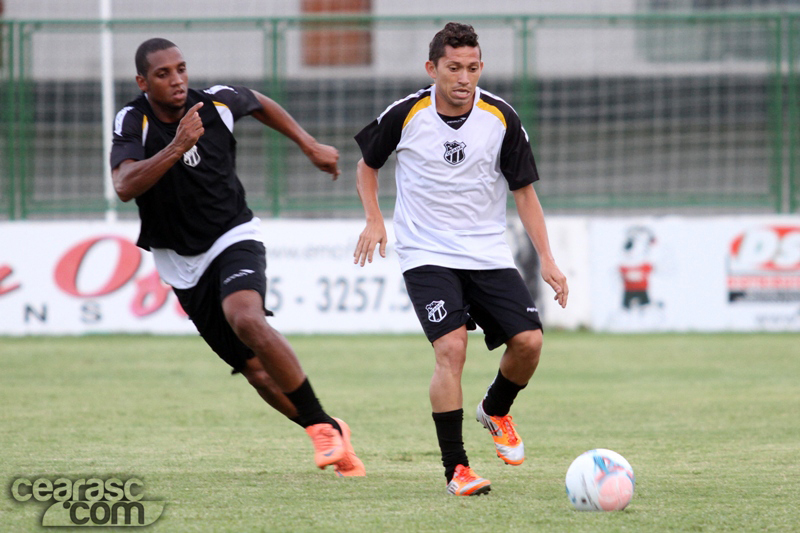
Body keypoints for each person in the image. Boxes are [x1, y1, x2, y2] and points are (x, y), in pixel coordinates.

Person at [110, 38, 364, 477]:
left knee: (246, 318)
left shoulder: (216, 103)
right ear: (142, 81)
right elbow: (124, 184)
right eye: (163, 74)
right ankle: (328, 427)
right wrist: (175, 147)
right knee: (257, 374)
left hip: (233, 234)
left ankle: (321, 429)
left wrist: (307, 143)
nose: (177, 80)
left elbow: (258, 101)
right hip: (180, 260)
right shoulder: (134, 119)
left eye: (181, 69)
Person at [353, 22, 567, 495]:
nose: (463, 77)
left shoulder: (501, 118)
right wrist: (374, 219)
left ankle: (495, 409)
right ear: (432, 69)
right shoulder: (406, 114)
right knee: (451, 350)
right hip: (425, 253)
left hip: (487, 251)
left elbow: (525, 194)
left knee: (529, 342)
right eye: (453, 68)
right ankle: (458, 470)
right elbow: (367, 166)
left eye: (472, 68)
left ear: (481, 68)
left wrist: (547, 258)